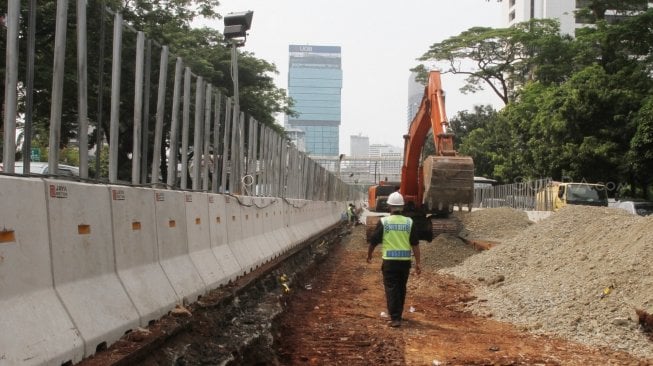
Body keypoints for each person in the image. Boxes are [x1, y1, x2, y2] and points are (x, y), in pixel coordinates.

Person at [366, 191, 421, 328]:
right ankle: (398, 315)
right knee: (401, 288)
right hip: (404, 263)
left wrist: (369, 255)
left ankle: (395, 318)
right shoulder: (409, 222)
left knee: (391, 288)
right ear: (402, 207)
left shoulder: (384, 222)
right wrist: (418, 263)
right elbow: (415, 244)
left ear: (389, 207)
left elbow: (374, 240)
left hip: (390, 262)